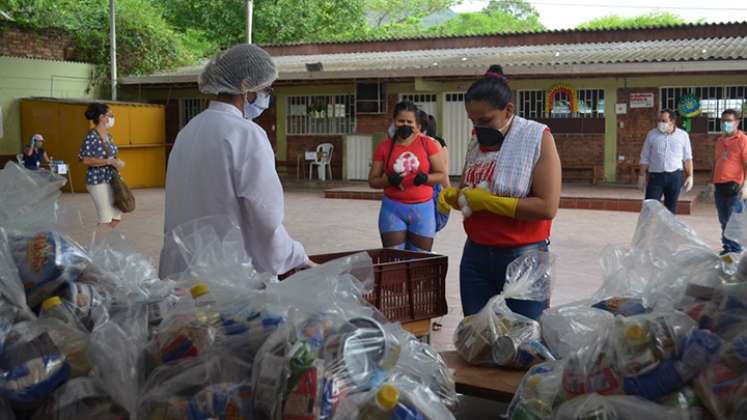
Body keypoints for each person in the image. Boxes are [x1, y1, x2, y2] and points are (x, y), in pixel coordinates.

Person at [159, 44, 311, 278]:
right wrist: (296, 256)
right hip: (228, 279)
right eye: (266, 89)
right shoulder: (247, 134)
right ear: (245, 86)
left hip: (181, 271)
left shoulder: (188, 130)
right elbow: (265, 217)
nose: (266, 97)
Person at [438, 65, 561, 320]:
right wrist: (455, 197)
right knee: (478, 338)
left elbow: (547, 207)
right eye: (473, 121)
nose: (478, 127)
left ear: (508, 110)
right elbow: (469, 190)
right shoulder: (477, 142)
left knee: (522, 340)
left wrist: (491, 203)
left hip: (522, 255)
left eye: (485, 120)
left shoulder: (537, 137)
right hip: (477, 254)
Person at [368, 101, 447, 252]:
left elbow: (441, 175)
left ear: (417, 125)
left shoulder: (428, 144)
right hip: (392, 209)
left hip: (423, 209)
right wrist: (388, 180)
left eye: (409, 122)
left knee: (420, 259)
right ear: (394, 122)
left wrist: (426, 179)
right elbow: (372, 180)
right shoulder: (384, 147)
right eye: (401, 121)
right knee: (394, 258)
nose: (405, 125)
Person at [79, 103, 126, 228]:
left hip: (112, 178)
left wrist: (117, 162)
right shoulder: (91, 136)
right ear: (101, 117)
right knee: (105, 217)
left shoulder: (109, 136)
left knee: (116, 215)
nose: (112, 118)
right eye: (110, 115)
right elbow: (85, 160)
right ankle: (99, 247)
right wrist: (108, 162)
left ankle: (106, 244)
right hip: (97, 180)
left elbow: (111, 157)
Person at [639, 109, 694, 214]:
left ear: (672, 122)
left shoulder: (683, 135)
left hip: (675, 176)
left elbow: (687, 158)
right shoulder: (652, 134)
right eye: (659, 120)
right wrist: (641, 176)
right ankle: (650, 230)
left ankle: (667, 230)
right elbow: (644, 156)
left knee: (671, 210)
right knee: (650, 208)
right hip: (656, 177)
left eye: (664, 121)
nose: (660, 123)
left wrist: (690, 176)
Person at [712, 109, 747, 254]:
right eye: (723, 121)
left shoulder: (743, 140)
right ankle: (727, 249)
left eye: (729, 120)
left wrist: (746, 186)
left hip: (735, 187)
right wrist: (711, 182)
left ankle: (736, 252)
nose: (726, 123)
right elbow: (717, 162)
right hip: (720, 187)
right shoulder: (720, 141)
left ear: (737, 122)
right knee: (724, 220)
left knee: (735, 223)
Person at [417, 111, 451, 233]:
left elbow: (442, 171)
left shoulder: (433, 144)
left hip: (429, 189)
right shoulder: (440, 143)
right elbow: (445, 170)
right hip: (433, 188)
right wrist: (448, 190)